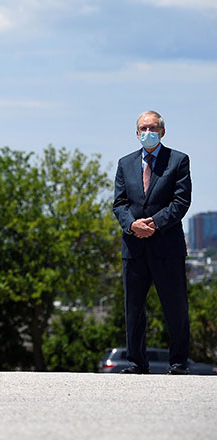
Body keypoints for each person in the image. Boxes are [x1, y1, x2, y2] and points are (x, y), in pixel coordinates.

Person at [112, 110, 191, 375]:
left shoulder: (178, 161)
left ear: (162, 131)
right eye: (143, 128)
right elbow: (120, 203)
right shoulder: (125, 164)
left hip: (167, 247)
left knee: (175, 307)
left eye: (153, 127)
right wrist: (132, 225)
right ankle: (137, 362)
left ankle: (179, 361)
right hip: (134, 247)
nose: (148, 132)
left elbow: (181, 202)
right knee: (133, 309)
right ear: (136, 133)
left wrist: (154, 223)